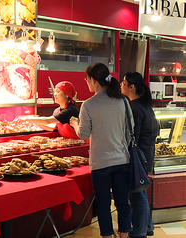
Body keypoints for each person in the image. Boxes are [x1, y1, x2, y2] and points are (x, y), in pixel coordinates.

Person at [70, 63, 133, 238]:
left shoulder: (88, 105)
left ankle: (107, 235)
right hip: (122, 160)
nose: (87, 84)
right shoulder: (123, 101)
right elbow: (131, 129)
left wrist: (74, 123)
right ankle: (124, 236)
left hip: (100, 163)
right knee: (122, 202)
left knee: (104, 203)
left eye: (86, 80)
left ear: (92, 80)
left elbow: (83, 134)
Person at [120, 72, 158, 238]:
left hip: (138, 158)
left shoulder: (135, 108)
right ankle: (147, 226)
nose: (121, 85)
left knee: (137, 194)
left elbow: (132, 137)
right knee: (140, 191)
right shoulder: (144, 106)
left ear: (131, 87)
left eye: (123, 82)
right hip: (146, 155)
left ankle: (139, 232)